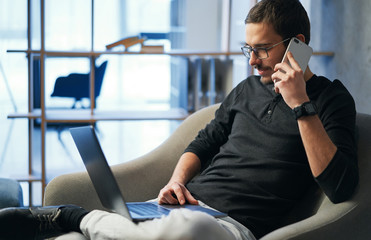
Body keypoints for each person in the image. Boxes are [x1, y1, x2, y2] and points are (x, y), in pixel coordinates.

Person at [0, 0, 358, 239]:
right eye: (248, 49)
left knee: (193, 231)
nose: (252, 61)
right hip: (186, 206)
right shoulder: (247, 89)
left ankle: (73, 217)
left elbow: (340, 187)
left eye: (262, 49)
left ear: (298, 44)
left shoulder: (331, 99)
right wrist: (176, 182)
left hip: (231, 227)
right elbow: (204, 141)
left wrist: (300, 104)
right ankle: (82, 226)